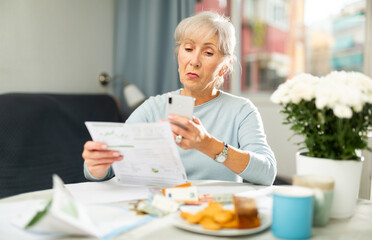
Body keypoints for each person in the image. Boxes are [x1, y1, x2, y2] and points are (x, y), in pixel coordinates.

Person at [82, 11, 277, 185]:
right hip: (161, 208)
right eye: (189, 49)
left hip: (214, 214)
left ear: (224, 67)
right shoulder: (153, 108)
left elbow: (267, 172)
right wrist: (96, 167)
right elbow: (107, 167)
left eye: (208, 52)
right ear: (178, 56)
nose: (194, 61)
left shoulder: (241, 110)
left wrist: (208, 144)